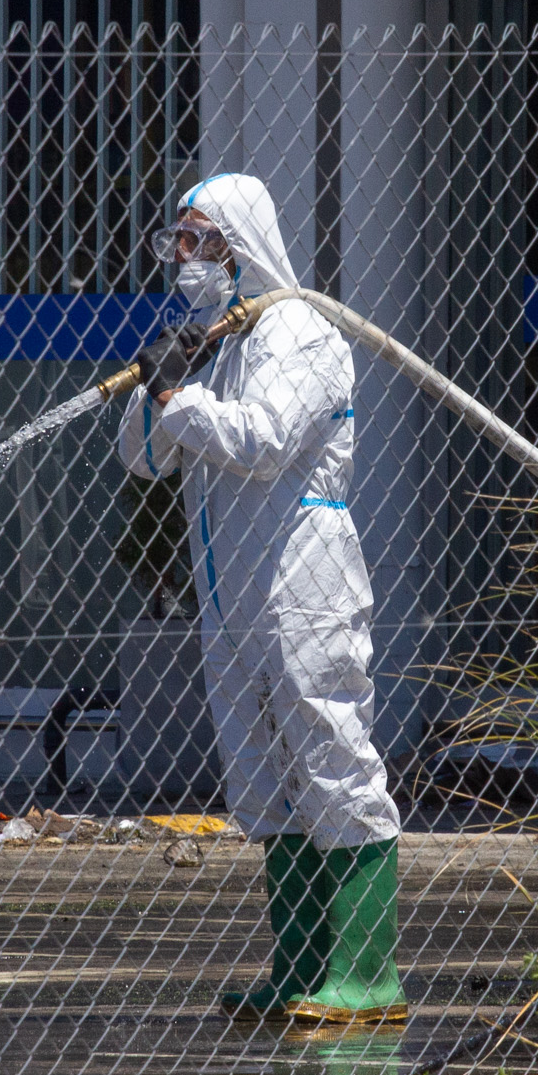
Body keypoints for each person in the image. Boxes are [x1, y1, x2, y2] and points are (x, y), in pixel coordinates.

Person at [115, 174, 407, 1024]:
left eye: (202, 241)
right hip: (231, 590)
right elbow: (144, 460)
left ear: (242, 246)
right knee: (262, 774)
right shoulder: (221, 343)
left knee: (330, 750)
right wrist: (154, 384)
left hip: (303, 577)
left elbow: (266, 439)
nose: (186, 259)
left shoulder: (300, 333)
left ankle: (367, 971)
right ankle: (301, 964)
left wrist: (180, 395)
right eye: (178, 242)